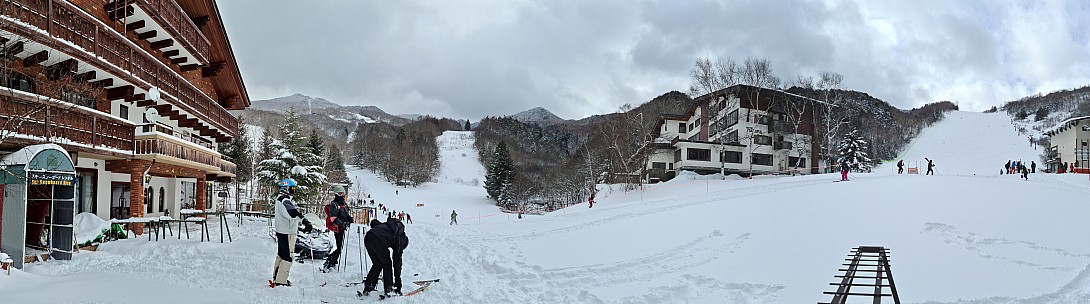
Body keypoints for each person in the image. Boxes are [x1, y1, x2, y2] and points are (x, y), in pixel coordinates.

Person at [271, 179, 313, 287]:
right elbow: (292, 213)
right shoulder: (285, 199)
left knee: (281, 255)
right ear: (286, 188)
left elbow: (289, 216)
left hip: (283, 231)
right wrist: (305, 221)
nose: (294, 190)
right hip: (287, 233)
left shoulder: (281, 199)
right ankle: (281, 281)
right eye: (292, 188)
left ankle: (277, 277)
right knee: (288, 257)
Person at [360, 218, 408, 296]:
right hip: (379, 240)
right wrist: (398, 284)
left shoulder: (391, 226)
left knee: (377, 264)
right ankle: (389, 290)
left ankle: (369, 287)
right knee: (387, 264)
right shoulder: (399, 238)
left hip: (368, 237)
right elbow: (397, 262)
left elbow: (376, 224)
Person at [322, 185, 353, 272]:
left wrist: (349, 218)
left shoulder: (343, 204)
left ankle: (332, 261)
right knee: (339, 248)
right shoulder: (333, 204)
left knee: (340, 247)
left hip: (343, 228)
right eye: (340, 193)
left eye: (343, 193)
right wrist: (342, 223)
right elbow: (333, 218)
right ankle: (329, 263)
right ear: (336, 194)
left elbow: (346, 214)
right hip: (338, 228)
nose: (342, 195)